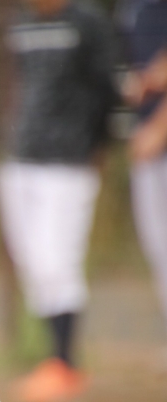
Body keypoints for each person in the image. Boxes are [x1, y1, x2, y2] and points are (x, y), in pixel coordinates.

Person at [0, 0, 117, 402]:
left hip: (69, 161)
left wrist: (98, 147)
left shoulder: (88, 23)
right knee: (32, 261)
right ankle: (54, 363)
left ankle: (65, 363)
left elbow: (107, 91)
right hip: (20, 157)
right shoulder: (21, 22)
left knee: (57, 261)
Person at [115, 0, 167, 368]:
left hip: (157, 138)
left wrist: (160, 129)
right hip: (148, 146)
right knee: (158, 248)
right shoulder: (130, 7)